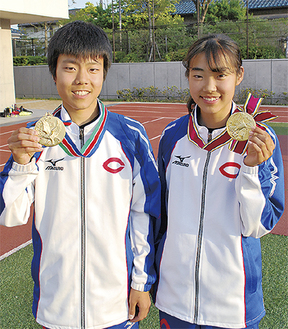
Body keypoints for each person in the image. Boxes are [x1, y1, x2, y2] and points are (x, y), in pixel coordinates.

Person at [0, 21, 160, 329]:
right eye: (70, 68)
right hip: (56, 304)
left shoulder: (130, 136)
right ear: (54, 73)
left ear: (104, 73)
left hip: (115, 306)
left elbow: (146, 212)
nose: (82, 80)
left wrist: (141, 281)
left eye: (93, 69)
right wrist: (20, 164)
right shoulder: (34, 139)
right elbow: (10, 215)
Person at [155, 34, 284, 329]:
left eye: (220, 75)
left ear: (239, 76)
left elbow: (258, 225)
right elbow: (160, 215)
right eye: (198, 75)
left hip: (233, 305)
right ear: (188, 77)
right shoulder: (173, 137)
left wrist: (250, 170)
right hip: (175, 300)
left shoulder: (260, 139)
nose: (208, 87)